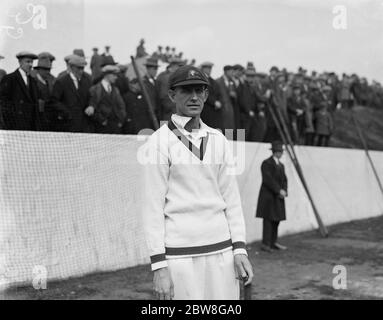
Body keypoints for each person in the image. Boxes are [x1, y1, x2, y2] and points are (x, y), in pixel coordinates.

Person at [141, 65, 253, 300]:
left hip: (222, 250)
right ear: (172, 95)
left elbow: (231, 199)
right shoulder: (158, 142)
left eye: (199, 90)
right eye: (186, 90)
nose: (194, 97)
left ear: (206, 95)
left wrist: (240, 249)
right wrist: (159, 266)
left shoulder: (218, 139)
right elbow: (151, 208)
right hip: (180, 256)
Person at [255, 141, 288, 252]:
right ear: (275, 152)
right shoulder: (266, 163)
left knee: (276, 220)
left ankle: (273, 242)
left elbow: (284, 180)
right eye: (280, 151)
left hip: (278, 197)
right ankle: (266, 244)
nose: (281, 153)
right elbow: (268, 180)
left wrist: (284, 190)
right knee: (268, 220)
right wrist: (279, 190)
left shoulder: (281, 165)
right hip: (268, 197)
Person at [50, 55, 93, 132]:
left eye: (82, 68)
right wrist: (67, 114)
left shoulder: (87, 81)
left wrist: (91, 106)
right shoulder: (61, 81)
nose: (81, 71)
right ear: (71, 67)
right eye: (78, 68)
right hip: (67, 124)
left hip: (84, 124)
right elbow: (54, 101)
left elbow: (91, 97)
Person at [0, 51, 40, 130]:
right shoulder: (10, 78)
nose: (30, 65)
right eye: (27, 62)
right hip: (15, 122)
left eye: (31, 62)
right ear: (20, 62)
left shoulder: (33, 81)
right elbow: (3, 101)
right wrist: (9, 119)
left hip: (30, 122)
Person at [87, 65, 126, 134]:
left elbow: (121, 106)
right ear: (107, 75)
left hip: (115, 126)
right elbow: (92, 106)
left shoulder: (116, 89)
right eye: (114, 75)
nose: (116, 77)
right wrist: (101, 121)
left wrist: (121, 120)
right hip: (100, 127)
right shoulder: (95, 89)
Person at [198, 61, 224, 131]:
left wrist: (219, 102)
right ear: (203, 69)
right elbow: (203, 93)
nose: (209, 70)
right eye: (207, 68)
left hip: (214, 111)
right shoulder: (200, 80)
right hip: (205, 109)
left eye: (210, 68)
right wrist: (214, 102)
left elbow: (219, 93)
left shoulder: (213, 81)